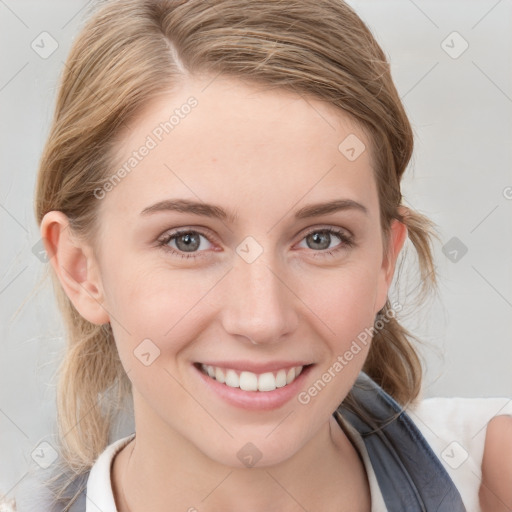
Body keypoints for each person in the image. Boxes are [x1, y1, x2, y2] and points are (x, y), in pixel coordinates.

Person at [9, 0, 511, 510]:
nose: (262, 319)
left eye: (321, 238)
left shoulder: (492, 475)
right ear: (81, 269)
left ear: (386, 261)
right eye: (188, 240)